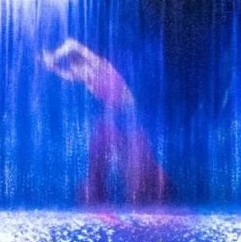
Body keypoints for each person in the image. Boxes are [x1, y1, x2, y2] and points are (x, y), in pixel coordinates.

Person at [41, 38, 168, 204]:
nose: (80, 76)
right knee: (109, 146)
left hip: (128, 111)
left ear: (83, 64)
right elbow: (68, 76)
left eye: (79, 71)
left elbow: (71, 43)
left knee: (122, 149)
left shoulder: (96, 63)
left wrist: (54, 55)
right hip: (116, 112)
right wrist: (53, 67)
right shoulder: (82, 74)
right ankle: (107, 189)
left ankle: (141, 188)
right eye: (77, 73)